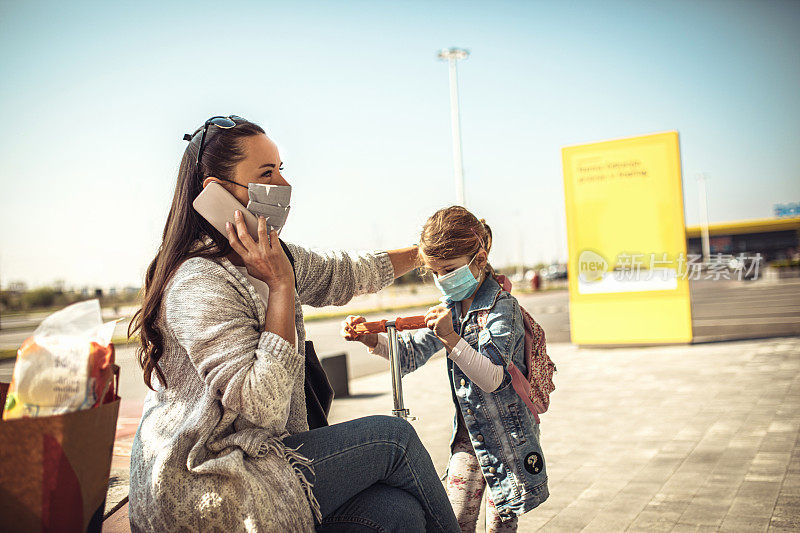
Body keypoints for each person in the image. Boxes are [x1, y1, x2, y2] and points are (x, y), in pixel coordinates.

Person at [127, 115, 460, 532]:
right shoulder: (199, 282)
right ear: (215, 193)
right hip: (208, 482)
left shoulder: (269, 255)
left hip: (258, 460)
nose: (284, 185)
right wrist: (281, 286)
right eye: (266, 174)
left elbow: (342, 274)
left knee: (397, 512)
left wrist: (432, 252)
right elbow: (261, 406)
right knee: (395, 439)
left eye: (282, 169)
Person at [342, 206, 549, 533]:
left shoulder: (502, 307)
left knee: (500, 527)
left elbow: (493, 378)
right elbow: (410, 356)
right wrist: (372, 341)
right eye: (435, 272)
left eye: (449, 270)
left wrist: (451, 338)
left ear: (479, 259)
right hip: (470, 438)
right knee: (451, 522)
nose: (441, 280)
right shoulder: (451, 307)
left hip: (509, 440)